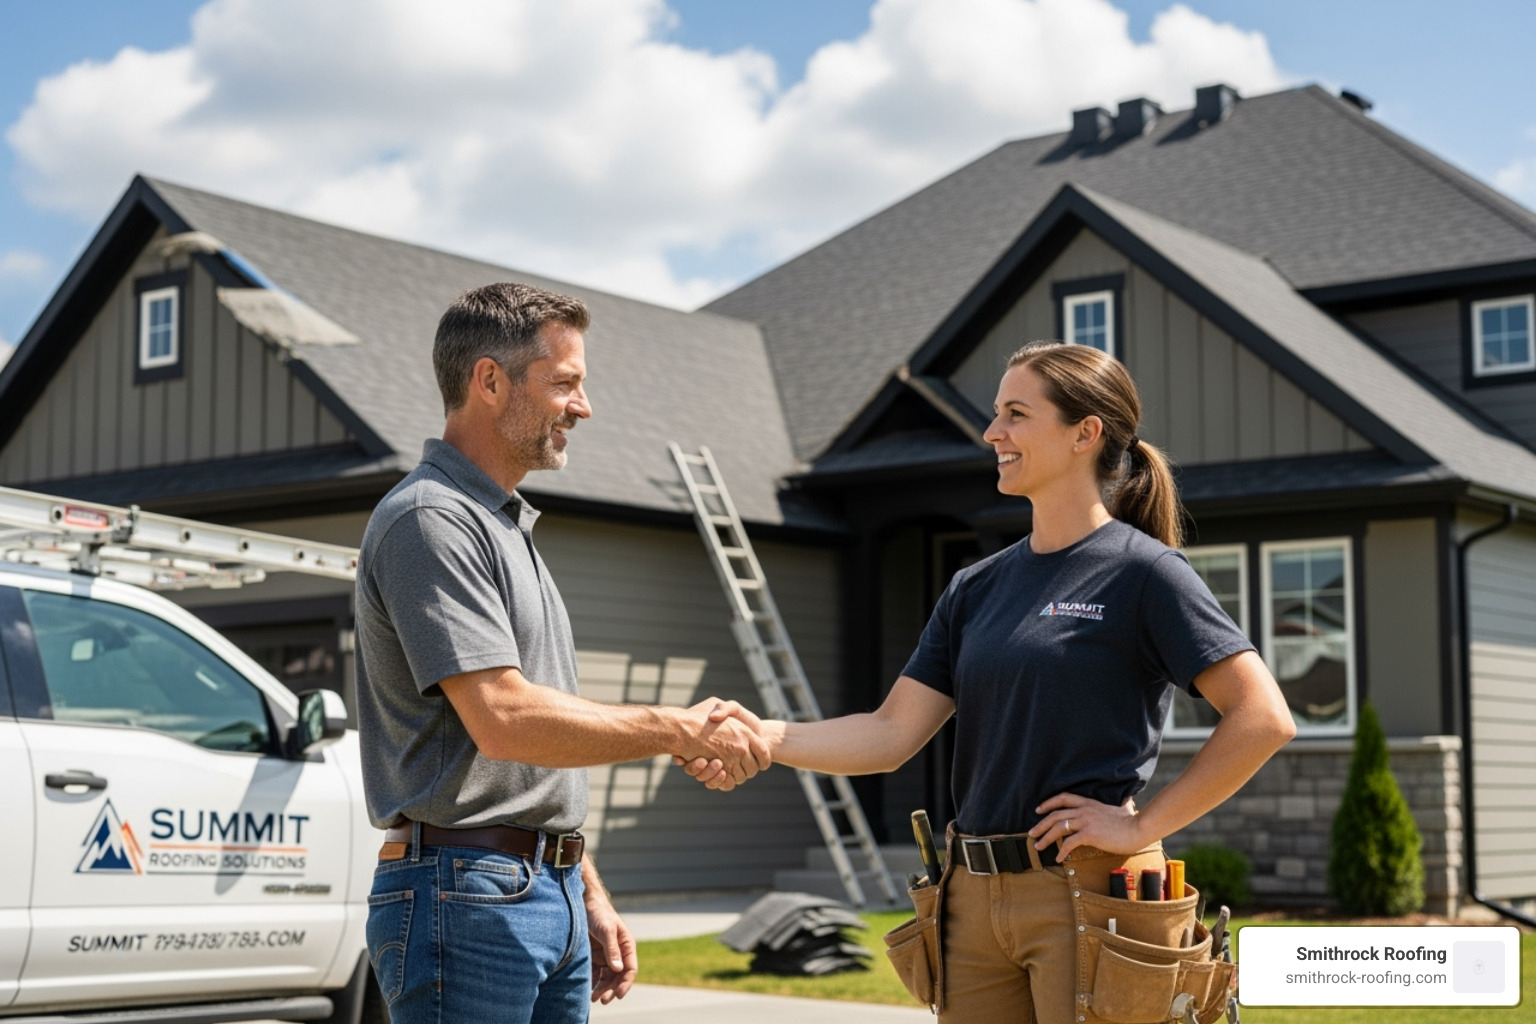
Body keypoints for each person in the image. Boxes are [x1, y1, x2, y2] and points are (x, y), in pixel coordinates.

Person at [687, 340, 1296, 1023]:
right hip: (970, 899)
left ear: (1084, 434)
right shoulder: (976, 587)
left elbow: (1262, 716)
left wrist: (1142, 826)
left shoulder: (1145, 573)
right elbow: (890, 734)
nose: (992, 433)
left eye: (1015, 414)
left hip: (1086, 893)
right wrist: (764, 735)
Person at [354, 282, 771, 1024]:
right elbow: (505, 719)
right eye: (566, 383)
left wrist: (585, 883)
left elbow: (532, 754)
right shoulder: (431, 520)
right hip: (466, 895)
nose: (584, 406)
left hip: (536, 888)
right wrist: (677, 729)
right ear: (489, 381)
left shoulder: (505, 527)